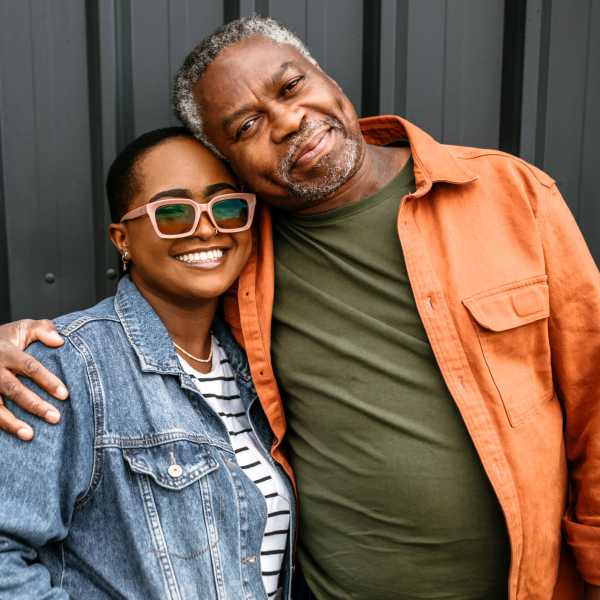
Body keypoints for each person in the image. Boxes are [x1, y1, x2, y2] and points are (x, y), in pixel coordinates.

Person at [0, 16, 598, 600]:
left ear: (326, 76)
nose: (288, 121)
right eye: (247, 125)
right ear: (235, 163)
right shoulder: (243, 251)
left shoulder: (508, 193)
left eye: (291, 87)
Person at [0, 126, 295, 599]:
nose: (206, 227)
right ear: (123, 239)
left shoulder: (257, 367)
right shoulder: (67, 367)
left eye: (226, 206)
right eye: (173, 212)